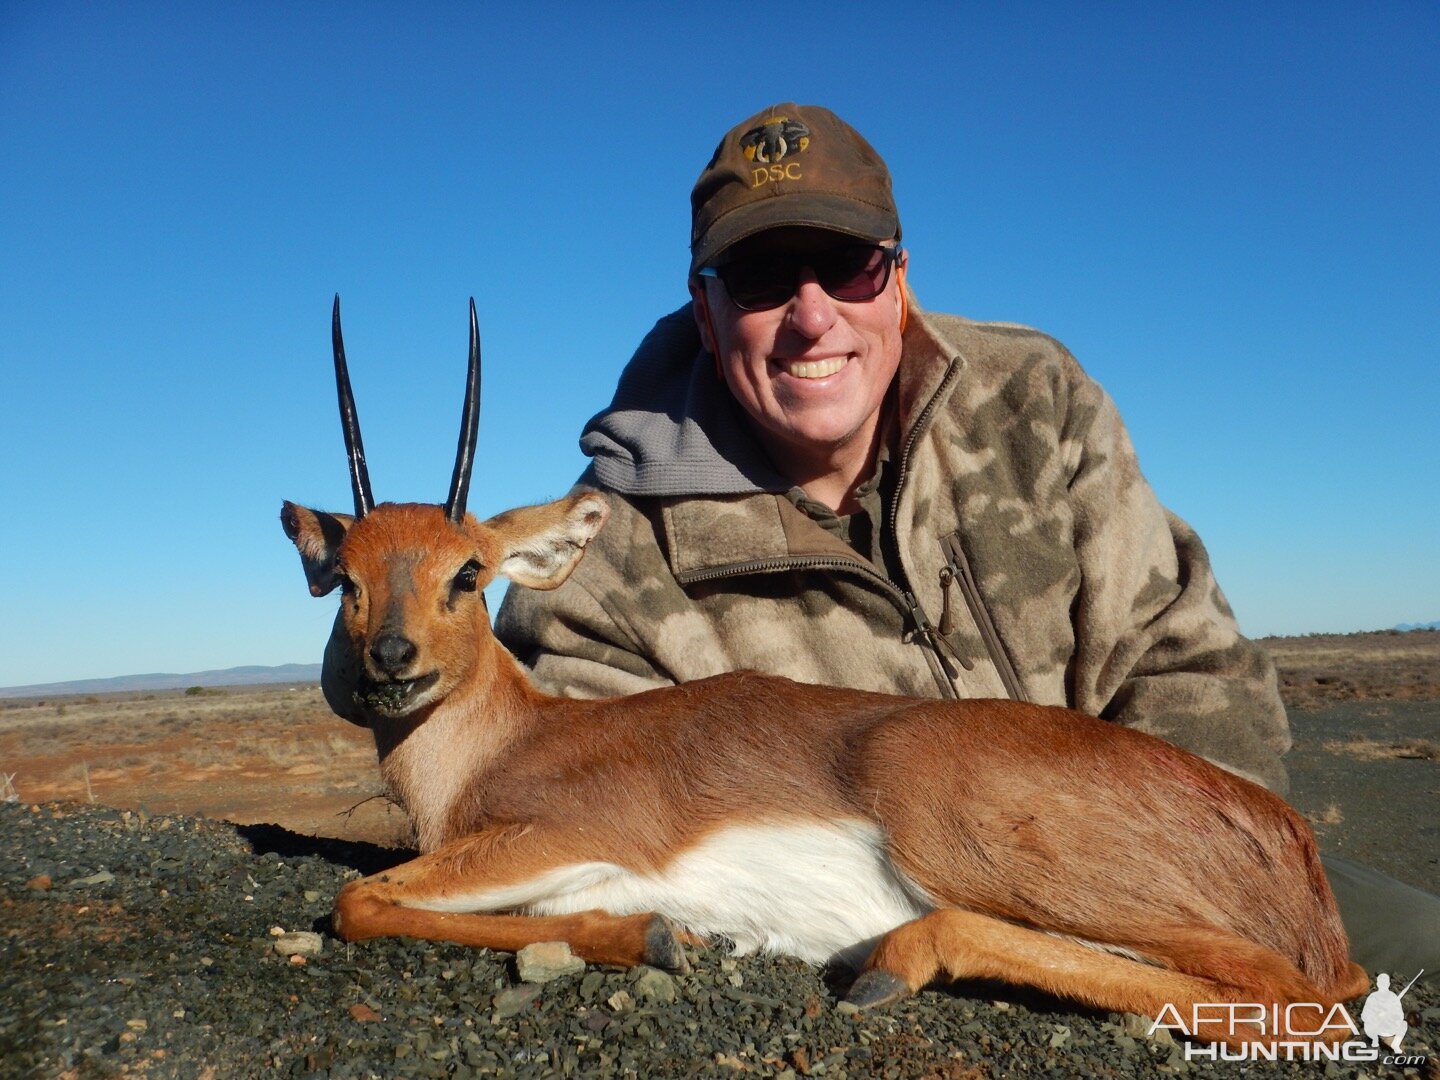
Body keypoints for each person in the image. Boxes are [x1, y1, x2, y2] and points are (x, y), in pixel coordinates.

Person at [328, 102, 1438, 981]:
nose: (812, 316)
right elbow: (550, 780)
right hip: (922, 874)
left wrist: (1170, 870)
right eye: (763, 279)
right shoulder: (613, 536)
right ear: (706, 312)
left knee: (1413, 949)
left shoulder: (1033, 402)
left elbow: (1186, 664)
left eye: (849, 267)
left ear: (898, 283)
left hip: (1146, 847)